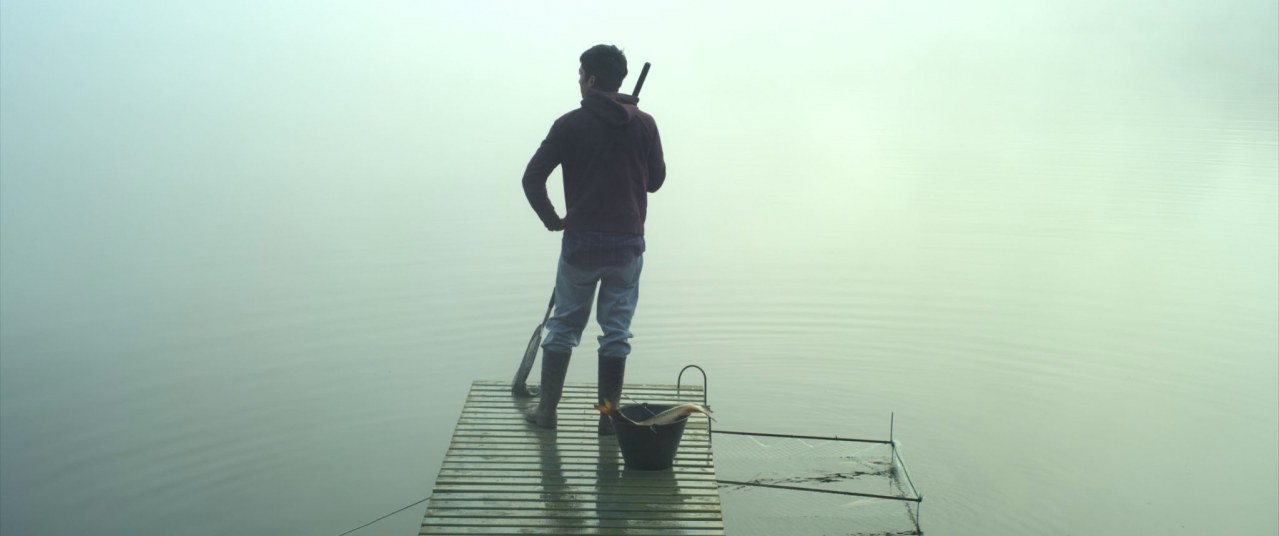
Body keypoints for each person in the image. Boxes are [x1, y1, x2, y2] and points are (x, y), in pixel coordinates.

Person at [520, 44, 666, 434]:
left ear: (592, 79)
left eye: (580, 74)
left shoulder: (569, 124)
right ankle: (608, 421)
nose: (578, 80)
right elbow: (655, 182)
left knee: (564, 326)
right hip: (627, 246)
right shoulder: (645, 123)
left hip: (581, 245)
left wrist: (554, 220)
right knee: (616, 333)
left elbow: (531, 178)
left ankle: (547, 413)